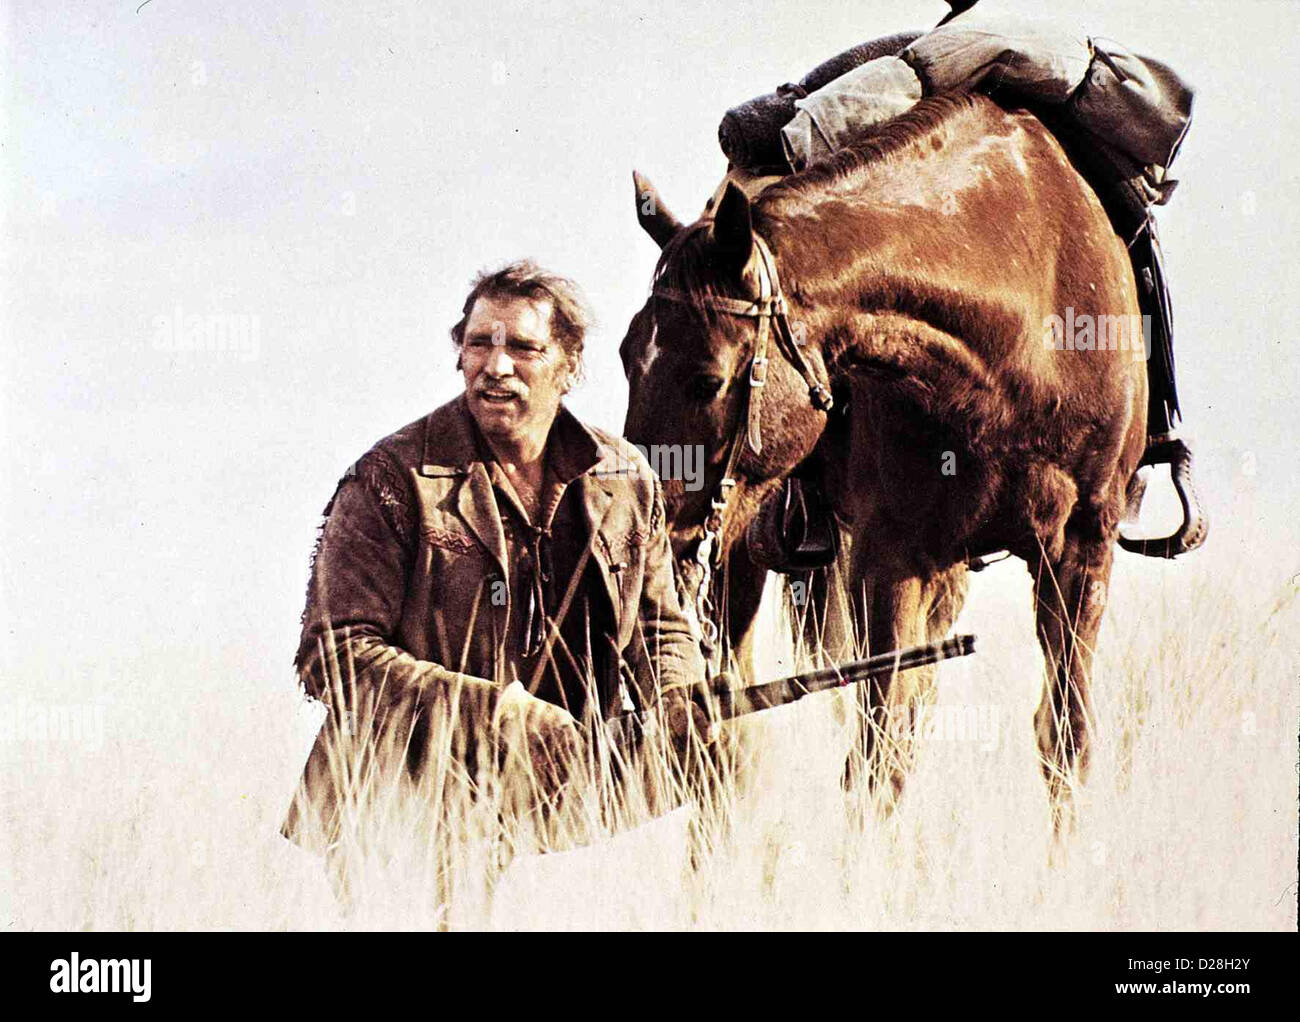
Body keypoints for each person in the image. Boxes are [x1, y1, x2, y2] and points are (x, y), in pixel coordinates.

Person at [281, 260, 714, 877]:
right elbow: (333, 653)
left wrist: (677, 696)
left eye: (523, 347)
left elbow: (661, 630)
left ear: (569, 367)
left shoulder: (626, 478)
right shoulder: (392, 478)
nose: (496, 365)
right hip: (403, 810)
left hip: (569, 812)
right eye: (478, 342)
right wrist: (498, 716)